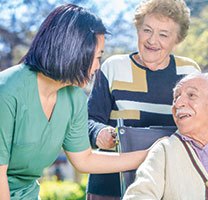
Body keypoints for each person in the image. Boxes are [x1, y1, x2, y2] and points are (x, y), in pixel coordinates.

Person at [0, 4, 148, 200]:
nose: (98, 66)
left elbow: (84, 159)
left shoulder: (74, 98)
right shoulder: (7, 90)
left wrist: (150, 155)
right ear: (74, 51)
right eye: (97, 57)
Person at [87, 0, 201, 199]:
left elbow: (204, 127)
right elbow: (86, 122)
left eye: (163, 34)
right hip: (111, 186)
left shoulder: (189, 73)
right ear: (138, 28)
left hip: (169, 187)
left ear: (178, 39)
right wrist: (99, 133)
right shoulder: (113, 67)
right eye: (147, 30)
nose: (152, 40)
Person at [123, 72, 208, 199]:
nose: (178, 104)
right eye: (176, 98)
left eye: (191, 95)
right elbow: (138, 196)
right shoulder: (164, 152)